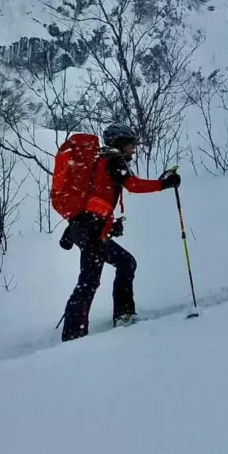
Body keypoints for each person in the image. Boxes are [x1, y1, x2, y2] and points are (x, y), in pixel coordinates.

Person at [60, 124, 181, 342]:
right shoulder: (113, 161)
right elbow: (133, 185)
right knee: (89, 281)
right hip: (91, 232)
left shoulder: (100, 160)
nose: (133, 148)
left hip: (85, 228)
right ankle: (74, 333)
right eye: (130, 143)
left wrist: (111, 222)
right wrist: (164, 184)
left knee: (125, 263)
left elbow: (97, 196)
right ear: (119, 143)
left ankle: (118, 315)